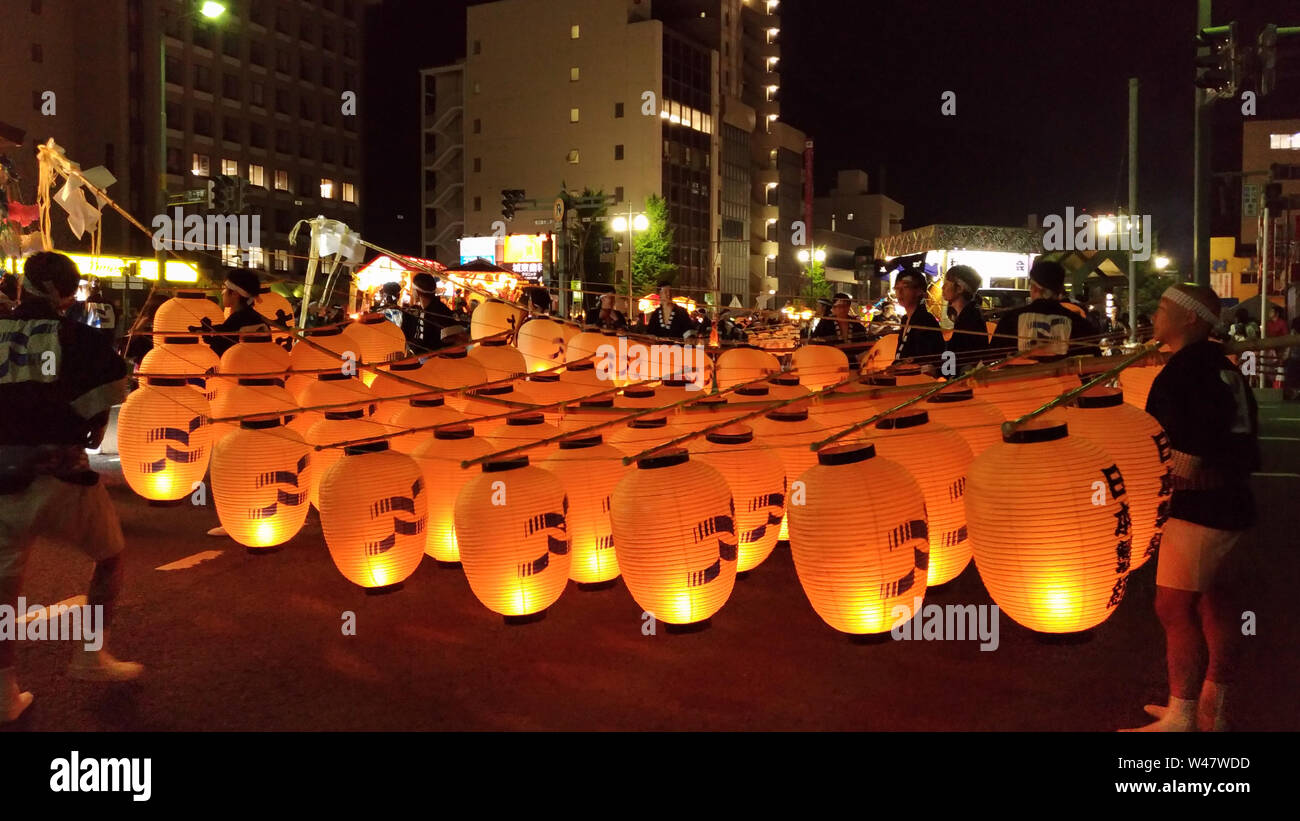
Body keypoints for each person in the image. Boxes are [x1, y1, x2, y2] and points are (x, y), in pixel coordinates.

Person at [1, 252, 144, 723]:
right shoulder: (79, 338)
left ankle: (4, 692)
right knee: (109, 557)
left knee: (4, 589)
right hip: (59, 477)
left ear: (26, 284)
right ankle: (90, 654)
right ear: (65, 291)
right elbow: (108, 392)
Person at [1123, 284, 1259, 732]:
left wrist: (1143, 480)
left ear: (1190, 319)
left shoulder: (1184, 372)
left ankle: (1183, 713)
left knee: (1173, 608)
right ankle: (1211, 707)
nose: (1154, 315)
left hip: (1200, 506)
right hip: (1233, 500)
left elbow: (1185, 457)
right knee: (1216, 604)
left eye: (1163, 308)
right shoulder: (1223, 366)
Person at [990, 260, 1098, 359]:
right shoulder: (1079, 323)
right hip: (1068, 380)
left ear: (1034, 288)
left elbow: (992, 359)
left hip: (1019, 380)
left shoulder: (1011, 320)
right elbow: (1094, 361)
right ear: (1059, 290)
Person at [197, 270, 271, 356]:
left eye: (225, 288)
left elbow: (222, 349)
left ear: (235, 294)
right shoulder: (257, 318)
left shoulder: (237, 320)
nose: (222, 292)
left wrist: (209, 334)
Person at [941, 265, 989, 368]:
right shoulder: (967, 315)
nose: (942, 287)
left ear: (959, 288)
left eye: (946, 283)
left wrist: (941, 372)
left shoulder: (970, 319)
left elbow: (961, 359)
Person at [893, 270, 944, 363]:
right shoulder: (905, 319)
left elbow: (925, 360)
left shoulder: (925, 320)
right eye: (897, 288)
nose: (899, 292)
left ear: (920, 292)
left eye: (905, 287)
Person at [402, 273, 453, 351]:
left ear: (417, 291)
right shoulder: (417, 310)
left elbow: (450, 341)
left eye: (412, 289)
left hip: (435, 359)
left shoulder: (440, 311)